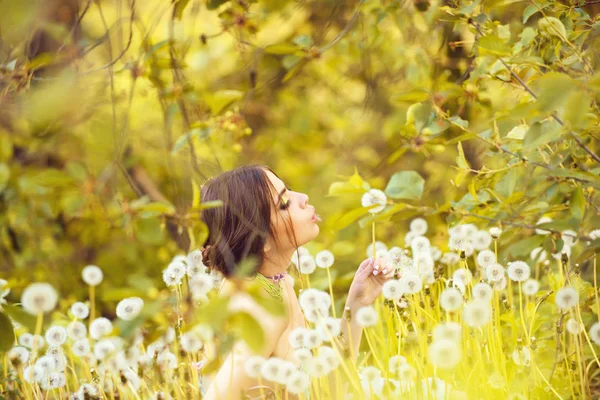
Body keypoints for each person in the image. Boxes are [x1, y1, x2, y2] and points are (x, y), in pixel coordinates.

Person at [200, 165, 394, 400]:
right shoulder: (260, 311)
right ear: (259, 240)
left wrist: (358, 303)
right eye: (284, 204)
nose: (303, 198)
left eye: (289, 191)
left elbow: (326, 391)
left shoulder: (276, 284)